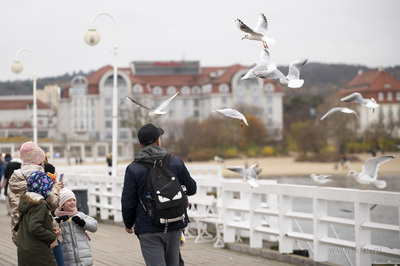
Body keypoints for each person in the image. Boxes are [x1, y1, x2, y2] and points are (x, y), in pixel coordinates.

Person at [121, 123, 197, 266]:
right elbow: (192, 189)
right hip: (175, 224)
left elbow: (128, 201)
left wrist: (128, 223)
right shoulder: (176, 162)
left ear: (140, 144)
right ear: (158, 141)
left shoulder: (134, 169)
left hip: (148, 228)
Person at [7, 141, 62, 246]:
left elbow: (14, 204)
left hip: (19, 231)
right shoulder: (40, 180)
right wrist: (55, 187)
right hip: (42, 230)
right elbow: (53, 204)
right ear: (39, 161)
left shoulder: (14, 178)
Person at [17, 171, 60, 266]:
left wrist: (50, 228)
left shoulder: (26, 202)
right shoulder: (39, 205)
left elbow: (30, 223)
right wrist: (52, 237)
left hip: (25, 250)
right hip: (38, 251)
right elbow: (34, 227)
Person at [55, 188, 98, 265]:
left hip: (84, 259)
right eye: (69, 200)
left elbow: (94, 226)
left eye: (74, 200)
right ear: (62, 205)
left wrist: (83, 222)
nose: (72, 202)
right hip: (68, 260)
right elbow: (50, 227)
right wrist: (58, 222)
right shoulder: (58, 219)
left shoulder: (80, 215)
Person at [2, 152, 22, 216]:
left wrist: (2, 184)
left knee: (8, 197)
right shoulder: (21, 165)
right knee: (17, 196)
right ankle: (17, 210)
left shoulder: (9, 165)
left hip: (9, 182)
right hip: (18, 183)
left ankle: (9, 211)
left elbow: (5, 176)